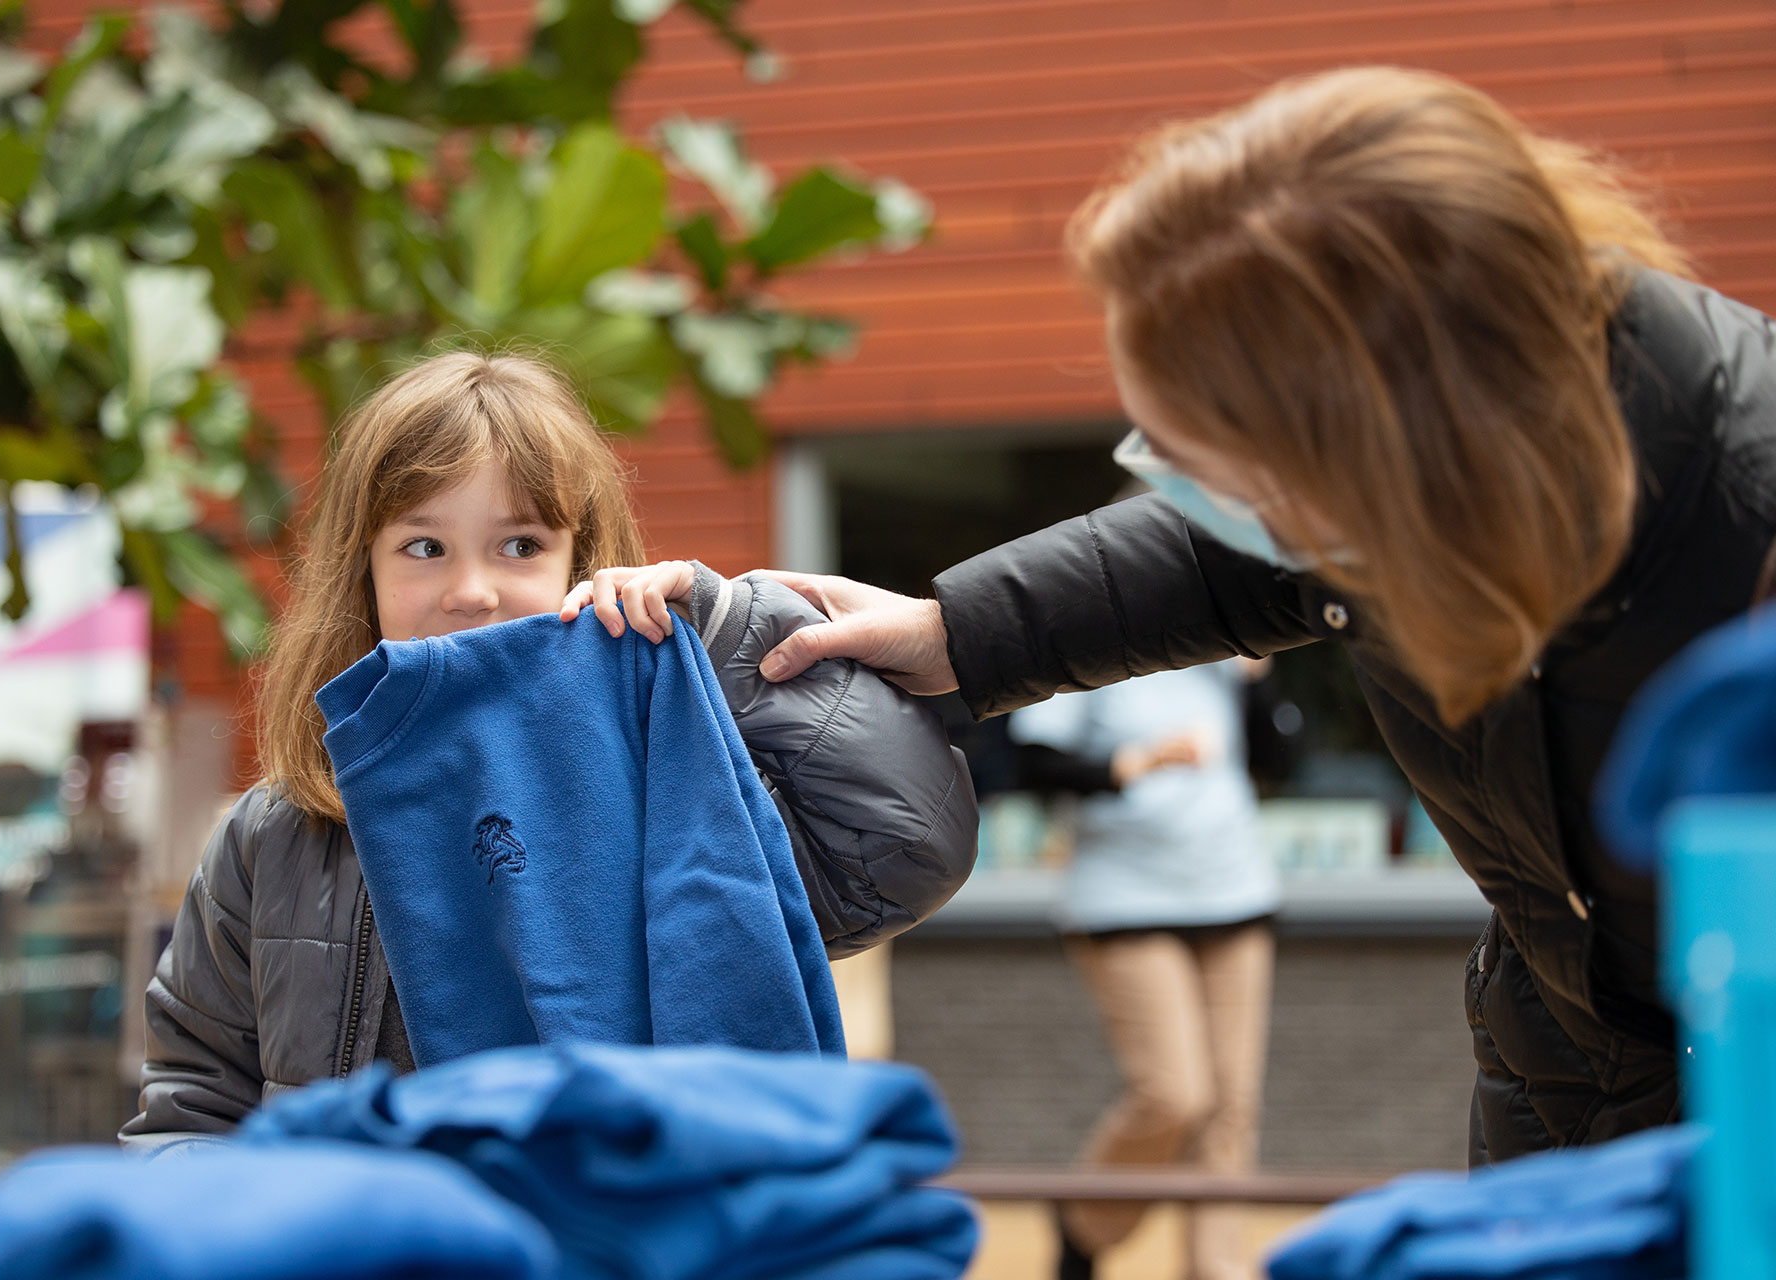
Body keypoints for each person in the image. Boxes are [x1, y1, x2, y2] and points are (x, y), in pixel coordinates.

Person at [751, 66, 1776, 1166]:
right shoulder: (1435, 477)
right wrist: (960, 630)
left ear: (1376, 437)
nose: (1184, 490)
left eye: (1202, 459)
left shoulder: (1744, 522)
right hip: (1573, 1075)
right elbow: (1224, 556)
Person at [120, 352, 978, 1146]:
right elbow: (190, 1104)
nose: (472, 591)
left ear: (587, 566)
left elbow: (908, 845)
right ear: (363, 575)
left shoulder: (671, 785)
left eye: (520, 545)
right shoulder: (273, 836)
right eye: (423, 547)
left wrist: (726, 631)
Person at [1011, 662, 1277, 1280]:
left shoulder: (1218, 659)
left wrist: (1259, 680)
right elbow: (1032, 767)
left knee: (1231, 1107)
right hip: (1123, 901)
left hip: (1234, 892)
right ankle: (1083, 1223)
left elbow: (1276, 760)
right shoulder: (1087, 654)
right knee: (1175, 1094)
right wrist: (1134, 764)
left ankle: (1217, 1267)